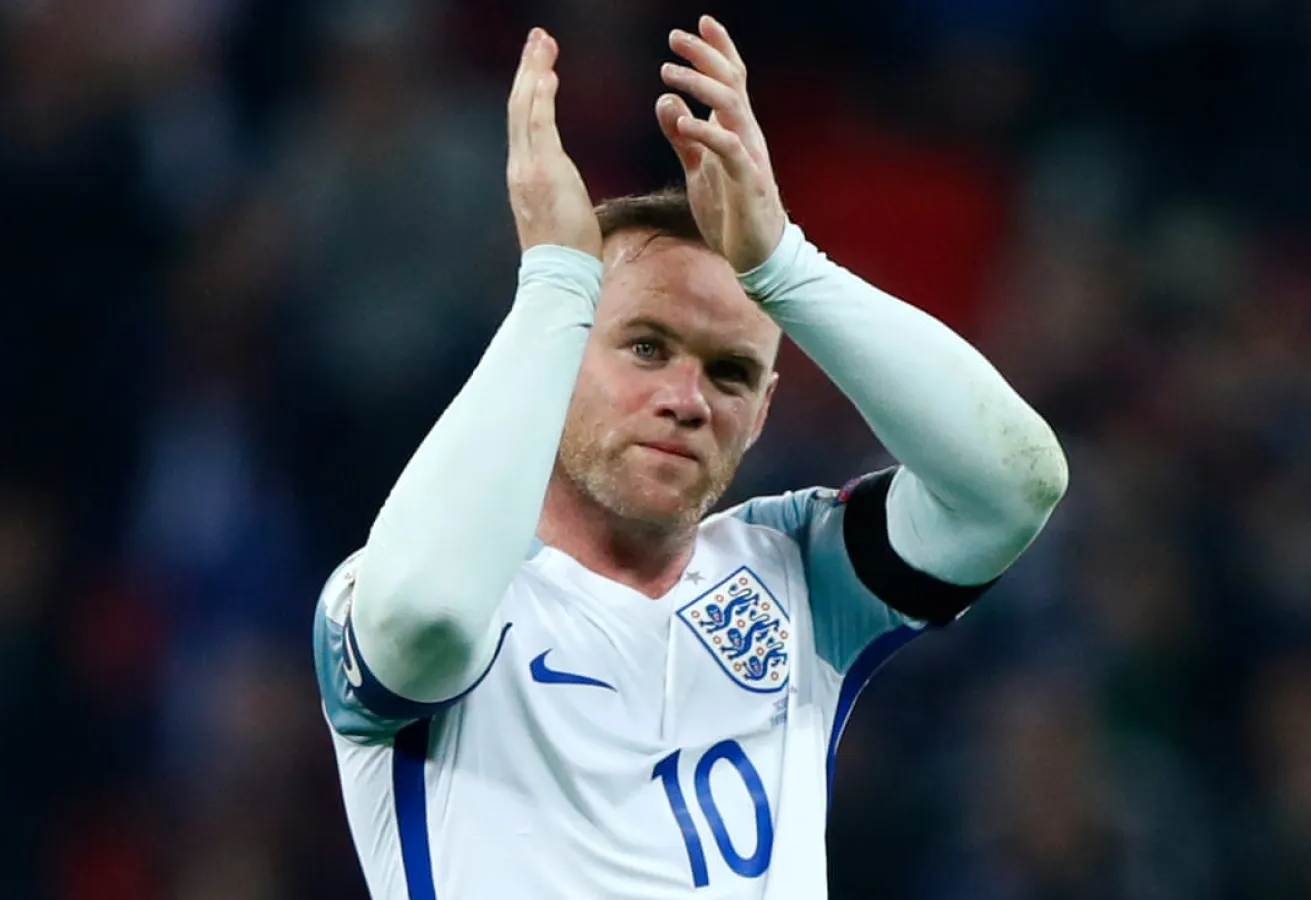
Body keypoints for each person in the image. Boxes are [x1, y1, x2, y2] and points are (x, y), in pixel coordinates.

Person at [312, 16, 1068, 899]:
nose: (687, 397)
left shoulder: (799, 576)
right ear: (553, 357)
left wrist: (787, 266)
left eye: (732, 371)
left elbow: (1013, 486)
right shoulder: (409, 582)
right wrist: (557, 277)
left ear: (761, 417)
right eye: (644, 346)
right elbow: (425, 620)